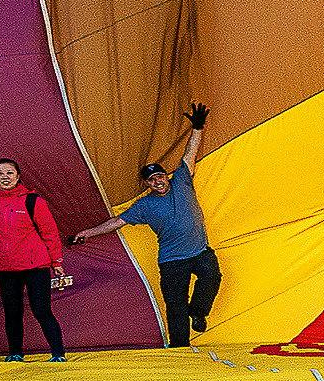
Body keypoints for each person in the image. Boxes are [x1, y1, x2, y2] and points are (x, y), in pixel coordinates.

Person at [70, 106, 217, 347]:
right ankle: (180, 348)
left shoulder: (182, 180)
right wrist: (87, 233)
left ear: (166, 176)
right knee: (175, 304)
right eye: (151, 180)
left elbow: (190, 153)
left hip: (200, 251)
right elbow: (117, 222)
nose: (157, 181)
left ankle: (198, 312)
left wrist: (198, 128)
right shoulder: (144, 206)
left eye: (159, 176)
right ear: (147, 184)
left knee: (211, 276)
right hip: (171, 260)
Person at [0, 157, 72, 365]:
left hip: (36, 265)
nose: (5, 177)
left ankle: (58, 353)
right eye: (0, 173)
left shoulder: (33, 200)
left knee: (41, 310)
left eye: (10, 173)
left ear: (18, 176)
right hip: (6, 267)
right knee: (12, 311)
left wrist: (56, 262)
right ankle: (15, 353)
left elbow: (50, 233)